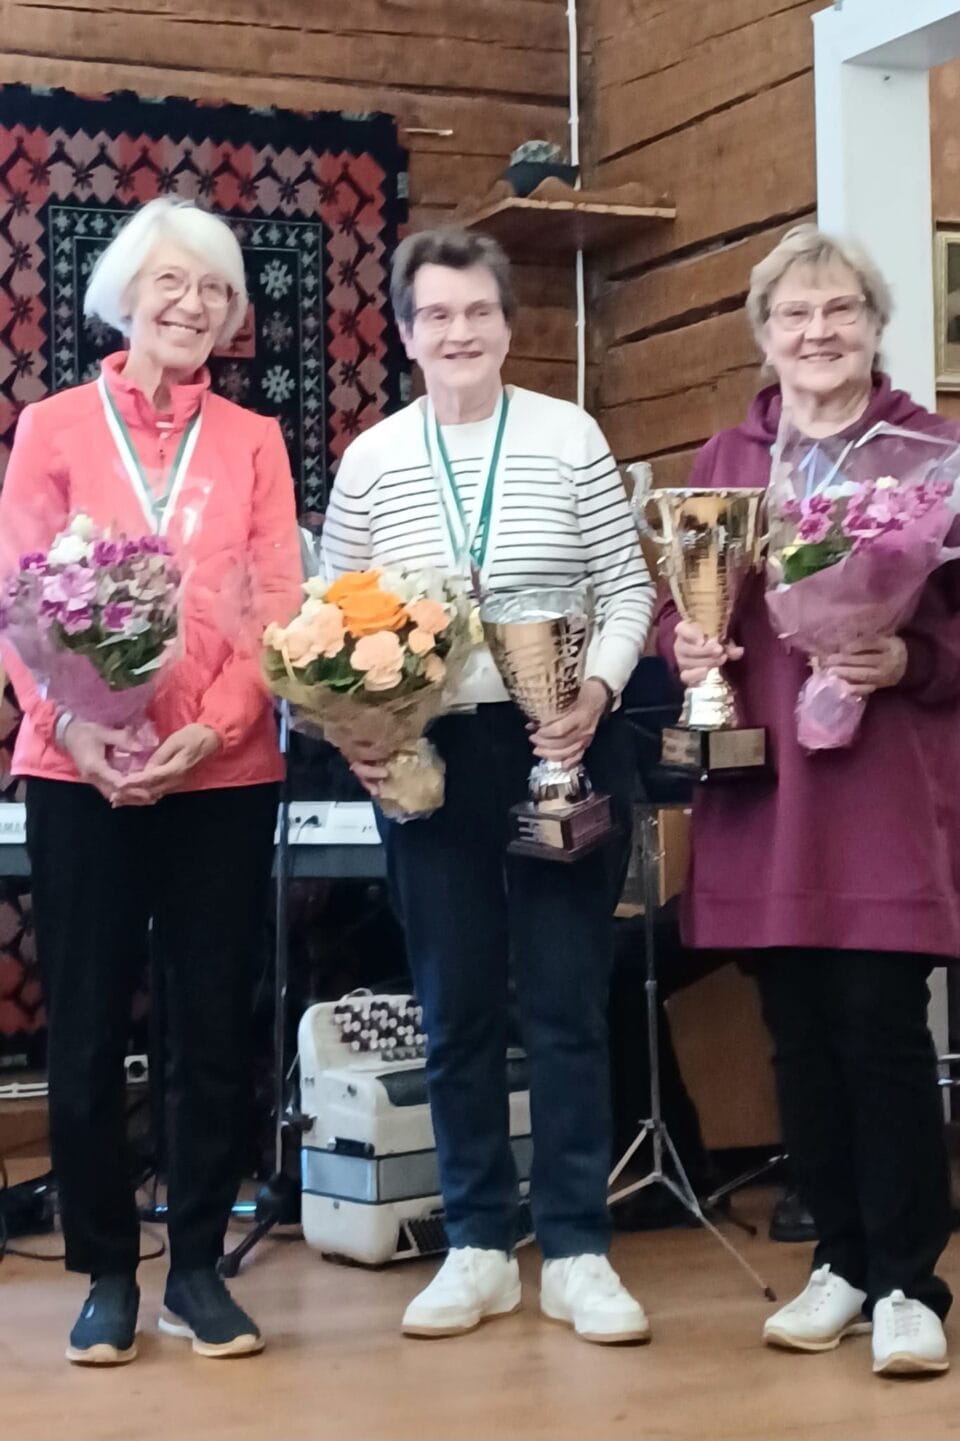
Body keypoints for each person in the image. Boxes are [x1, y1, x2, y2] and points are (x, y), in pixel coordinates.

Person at [321, 226, 655, 1345]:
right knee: (454, 1002)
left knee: (565, 1001)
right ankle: (475, 1243)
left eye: (478, 312)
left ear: (509, 326)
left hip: (563, 742)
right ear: (407, 333)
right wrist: (359, 731)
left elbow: (628, 589)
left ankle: (576, 1248)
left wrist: (595, 693)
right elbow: (330, 619)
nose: (459, 332)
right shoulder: (372, 460)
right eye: (437, 315)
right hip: (433, 759)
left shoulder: (569, 436)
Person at [0, 198, 302, 1364]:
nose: (193, 304)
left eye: (215, 289)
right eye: (172, 282)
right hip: (75, 769)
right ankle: (106, 1272)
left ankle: (197, 1269)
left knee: (212, 1022)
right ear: (123, 296)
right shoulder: (54, 427)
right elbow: (20, 592)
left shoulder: (255, 439)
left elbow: (277, 602)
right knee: (84, 1025)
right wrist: (72, 723)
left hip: (222, 774)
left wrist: (215, 729)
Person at [658, 224, 960, 1378]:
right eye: (795, 314)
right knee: (796, 1031)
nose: (818, 330)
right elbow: (689, 606)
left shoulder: (930, 453)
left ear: (876, 326)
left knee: (879, 1025)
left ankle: (910, 1282)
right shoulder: (726, 457)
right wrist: (689, 644)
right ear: (765, 334)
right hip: (765, 783)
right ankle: (838, 1259)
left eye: (840, 310)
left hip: (883, 786)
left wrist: (911, 660)